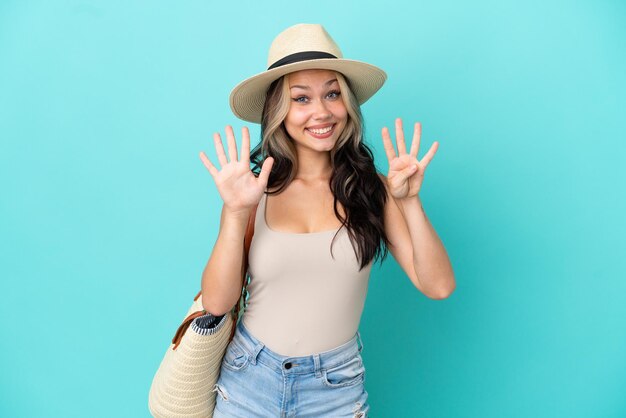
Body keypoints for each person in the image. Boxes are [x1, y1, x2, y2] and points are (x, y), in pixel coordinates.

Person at [198, 23, 455, 418]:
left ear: (347, 102)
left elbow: (437, 285)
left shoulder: (372, 189)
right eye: (301, 98)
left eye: (332, 93)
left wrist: (411, 203)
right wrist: (234, 213)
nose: (321, 111)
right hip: (249, 380)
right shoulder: (253, 192)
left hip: (334, 389)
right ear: (278, 112)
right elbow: (217, 302)